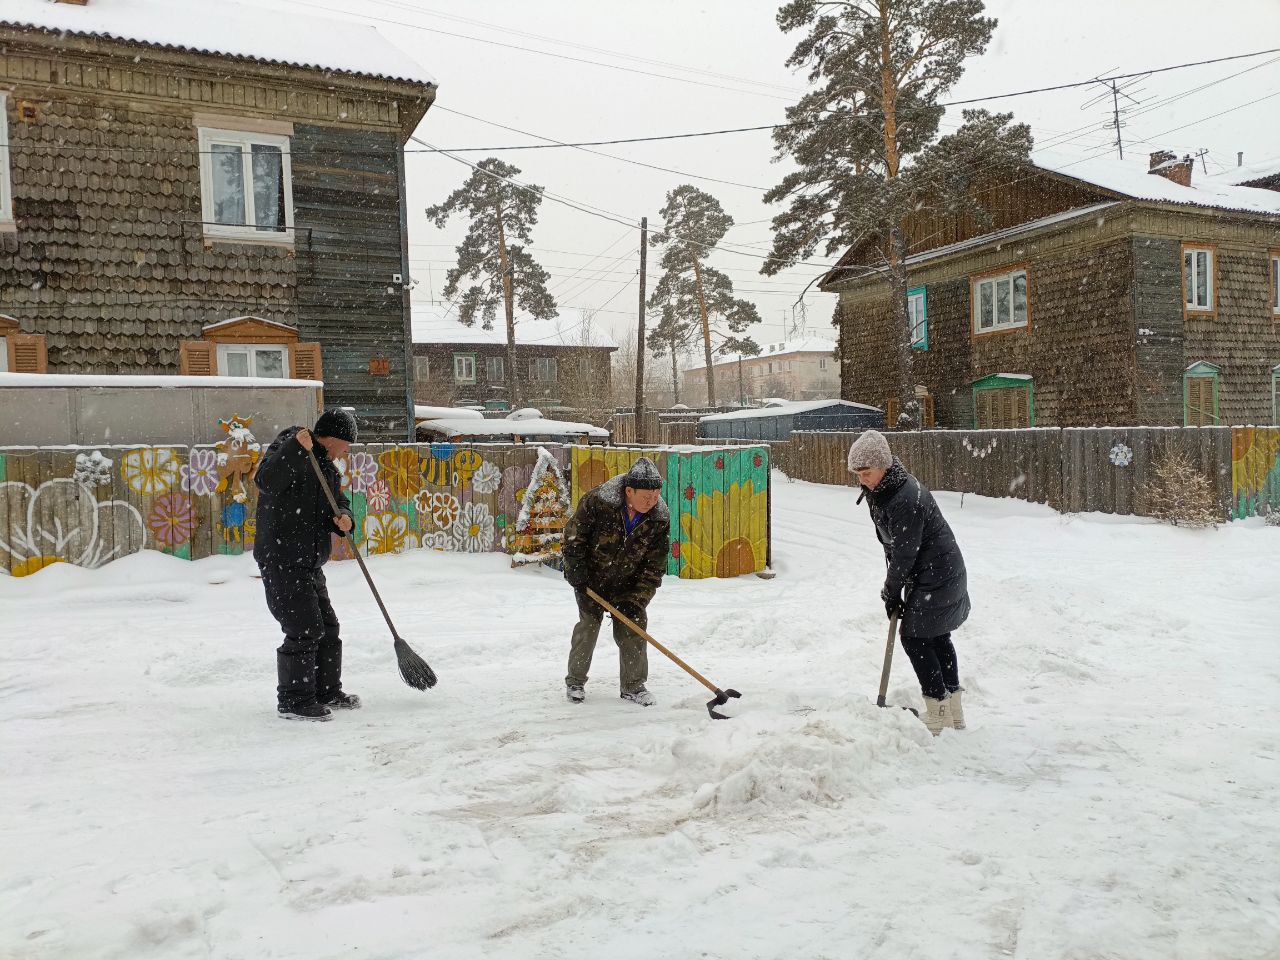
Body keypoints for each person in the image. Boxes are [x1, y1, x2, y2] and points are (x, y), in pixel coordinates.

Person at [848, 430, 971, 735]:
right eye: (858, 475)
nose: (863, 480)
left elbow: (904, 553)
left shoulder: (903, 498)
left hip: (936, 576)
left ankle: (938, 711)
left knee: (915, 638)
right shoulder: (888, 489)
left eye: (867, 473)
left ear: (884, 466)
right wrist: (898, 586)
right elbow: (899, 549)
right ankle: (952, 711)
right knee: (937, 636)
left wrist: (891, 590)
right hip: (939, 571)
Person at [253, 409, 359, 722]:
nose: (347, 451)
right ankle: (295, 701)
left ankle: (325, 690)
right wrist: (297, 448)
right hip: (282, 559)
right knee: (304, 629)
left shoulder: (327, 468)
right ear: (336, 439)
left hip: (310, 561)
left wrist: (343, 518)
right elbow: (266, 480)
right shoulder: (291, 446)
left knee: (328, 628)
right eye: (347, 445)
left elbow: (336, 502)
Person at [561, 457, 670, 707]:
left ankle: (633, 686)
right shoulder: (598, 502)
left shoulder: (659, 518)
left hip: (628, 585)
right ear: (628, 491)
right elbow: (574, 537)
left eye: (655, 495)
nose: (651, 501)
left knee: (634, 628)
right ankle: (575, 681)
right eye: (646, 496)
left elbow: (654, 567)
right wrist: (576, 572)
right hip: (591, 578)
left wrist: (637, 599)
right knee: (588, 626)